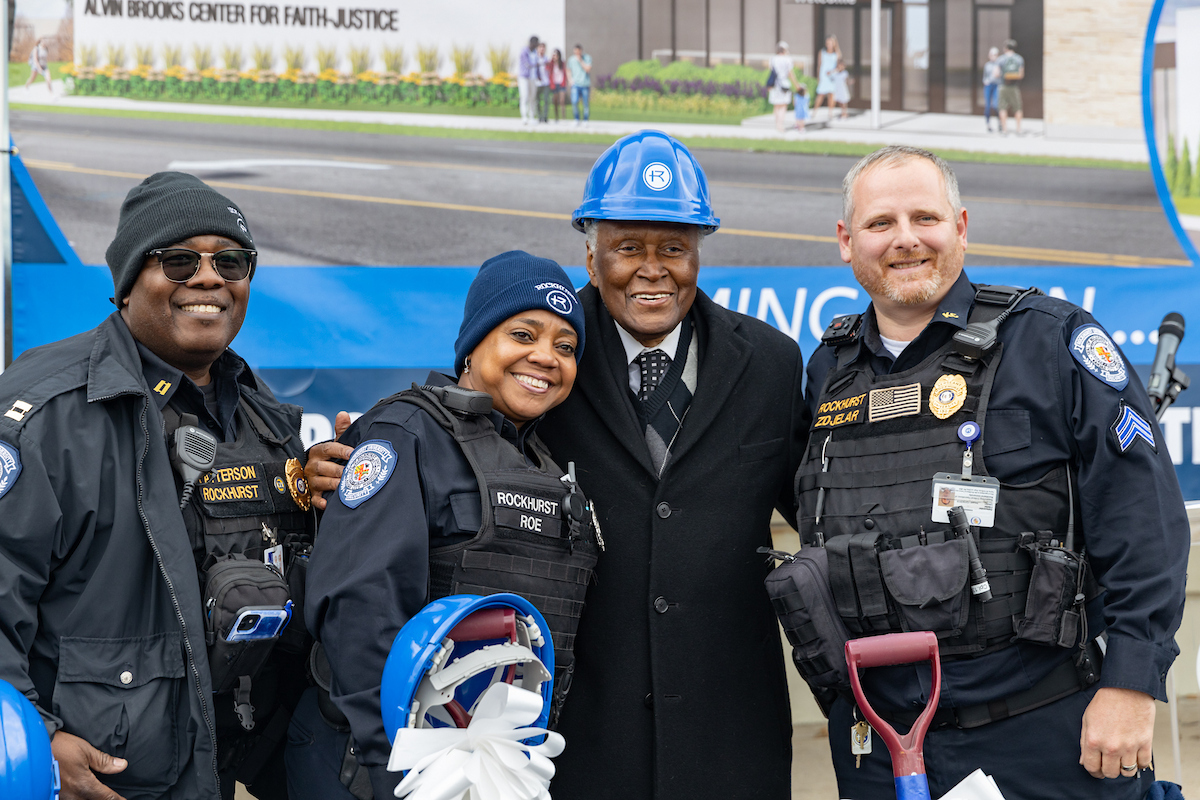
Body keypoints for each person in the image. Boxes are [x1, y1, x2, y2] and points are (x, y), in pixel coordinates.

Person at [302, 131, 811, 800]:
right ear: (592, 253)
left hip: (731, 740)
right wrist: (335, 464)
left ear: (699, 252)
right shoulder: (543, 353)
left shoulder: (772, 365)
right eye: (627, 247)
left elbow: (816, 502)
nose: (651, 268)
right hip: (568, 749)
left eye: (674, 249)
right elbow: (443, 447)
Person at [794, 145, 1188, 799]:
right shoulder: (827, 370)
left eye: (925, 217)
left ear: (962, 226)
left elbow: (1142, 516)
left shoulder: (1049, 340)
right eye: (880, 223)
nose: (906, 240)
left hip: (1046, 735)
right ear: (846, 241)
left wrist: (1131, 682)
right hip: (881, 746)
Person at [0, 172, 316, 800]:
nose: (208, 278)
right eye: (178, 260)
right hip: (105, 779)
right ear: (127, 284)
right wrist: (34, 740)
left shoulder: (268, 420)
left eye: (231, 260)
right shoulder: (47, 413)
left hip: (239, 769)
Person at [287, 252, 601, 800]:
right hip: (380, 767)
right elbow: (358, 611)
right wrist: (408, 772)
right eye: (523, 334)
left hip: (487, 769)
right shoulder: (404, 432)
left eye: (565, 346)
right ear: (474, 345)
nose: (546, 357)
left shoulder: (546, 466)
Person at [997, 39, 1024, 135]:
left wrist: (1004, 75)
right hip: (1014, 86)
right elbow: (1021, 74)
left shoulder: (1001, 59)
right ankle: (1019, 129)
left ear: (1005, 48)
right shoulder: (1019, 59)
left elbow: (996, 73)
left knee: (1002, 108)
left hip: (1003, 86)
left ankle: (1004, 130)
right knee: (1017, 108)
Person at [768, 41, 795, 132]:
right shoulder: (787, 59)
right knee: (783, 106)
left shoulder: (773, 59)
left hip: (775, 85)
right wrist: (796, 84)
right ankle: (781, 125)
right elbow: (790, 73)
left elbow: (771, 72)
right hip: (784, 84)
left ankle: (777, 124)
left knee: (776, 106)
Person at [815, 35, 841, 122]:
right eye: (827, 43)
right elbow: (819, 65)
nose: (829, 44)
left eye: (830, 43)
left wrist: (833, 71)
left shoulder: (837, 54)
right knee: (821, 94)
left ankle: (830, 112)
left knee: (831, 94)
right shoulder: (822, 52)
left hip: (832, 76)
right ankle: (815, 111)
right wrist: (818, 76)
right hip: (824, 76)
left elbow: (840, 67)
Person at [567, 43, 592, 126]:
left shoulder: (587, 58)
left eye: (578, 52)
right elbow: (568, 70)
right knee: (574, 102)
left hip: (584, 84)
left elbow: (588, 69)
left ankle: (585, 120)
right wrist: (570, 80)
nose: (576, 54)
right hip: (575, 84)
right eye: (575, 52)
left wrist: (580, 60)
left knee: (585, 103)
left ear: (581, 51)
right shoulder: (571, 60)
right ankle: (576, 119)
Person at [518, 36, 540, 125]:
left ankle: (532, 116)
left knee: (532, 97)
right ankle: (524, 117)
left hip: (533, 78)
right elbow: (527, 64)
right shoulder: (524, 51)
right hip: (524, 77)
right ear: (532, 43)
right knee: (525, 96)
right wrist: (539, 64)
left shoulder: (535, 52)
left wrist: (539, 75)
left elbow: (537, 66)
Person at [982, 46, 1001, 132]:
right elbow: (985, 76)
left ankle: (1000, 123)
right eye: (992, 55)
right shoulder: (987, 65)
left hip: (996, 85)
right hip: (989, 86)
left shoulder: (999, 65)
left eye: (995, 55)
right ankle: (988, 124)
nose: (993, 56)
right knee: (988, 106)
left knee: (996, 105)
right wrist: (986, 81)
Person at [548, 48, 568, 122]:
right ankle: (556, 117)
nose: (554, 57)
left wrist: (565, 81)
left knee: (562, 101)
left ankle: (564, 118)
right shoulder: (551, 64)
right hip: (554, 84)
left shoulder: (562, 64)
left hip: (561, 84)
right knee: (555, 101)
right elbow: (548, 70)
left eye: (556, 55)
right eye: (553, 55)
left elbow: (565, 73)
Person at [535, 42, 551, 124]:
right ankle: (539, 116)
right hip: (537, 83)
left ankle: (545, 117)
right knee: (537, 100)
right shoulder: (535, 58)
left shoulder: (546, 59)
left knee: (546, 100)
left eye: (543, 48)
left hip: (546, 82)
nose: (542, 49)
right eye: (540, 47)